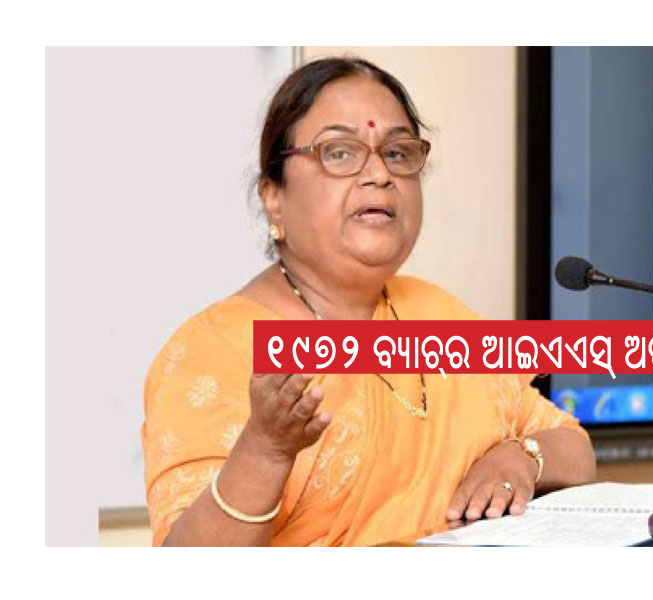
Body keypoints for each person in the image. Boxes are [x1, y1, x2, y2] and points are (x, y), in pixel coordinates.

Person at [141, 57, 596, 547]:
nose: (379, 174)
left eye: (398, 153)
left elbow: (574, 446)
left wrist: (520, 456)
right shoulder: (212, 350)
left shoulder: (438, 316)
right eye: (339, 152)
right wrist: (265, 450)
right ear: (274, 198)